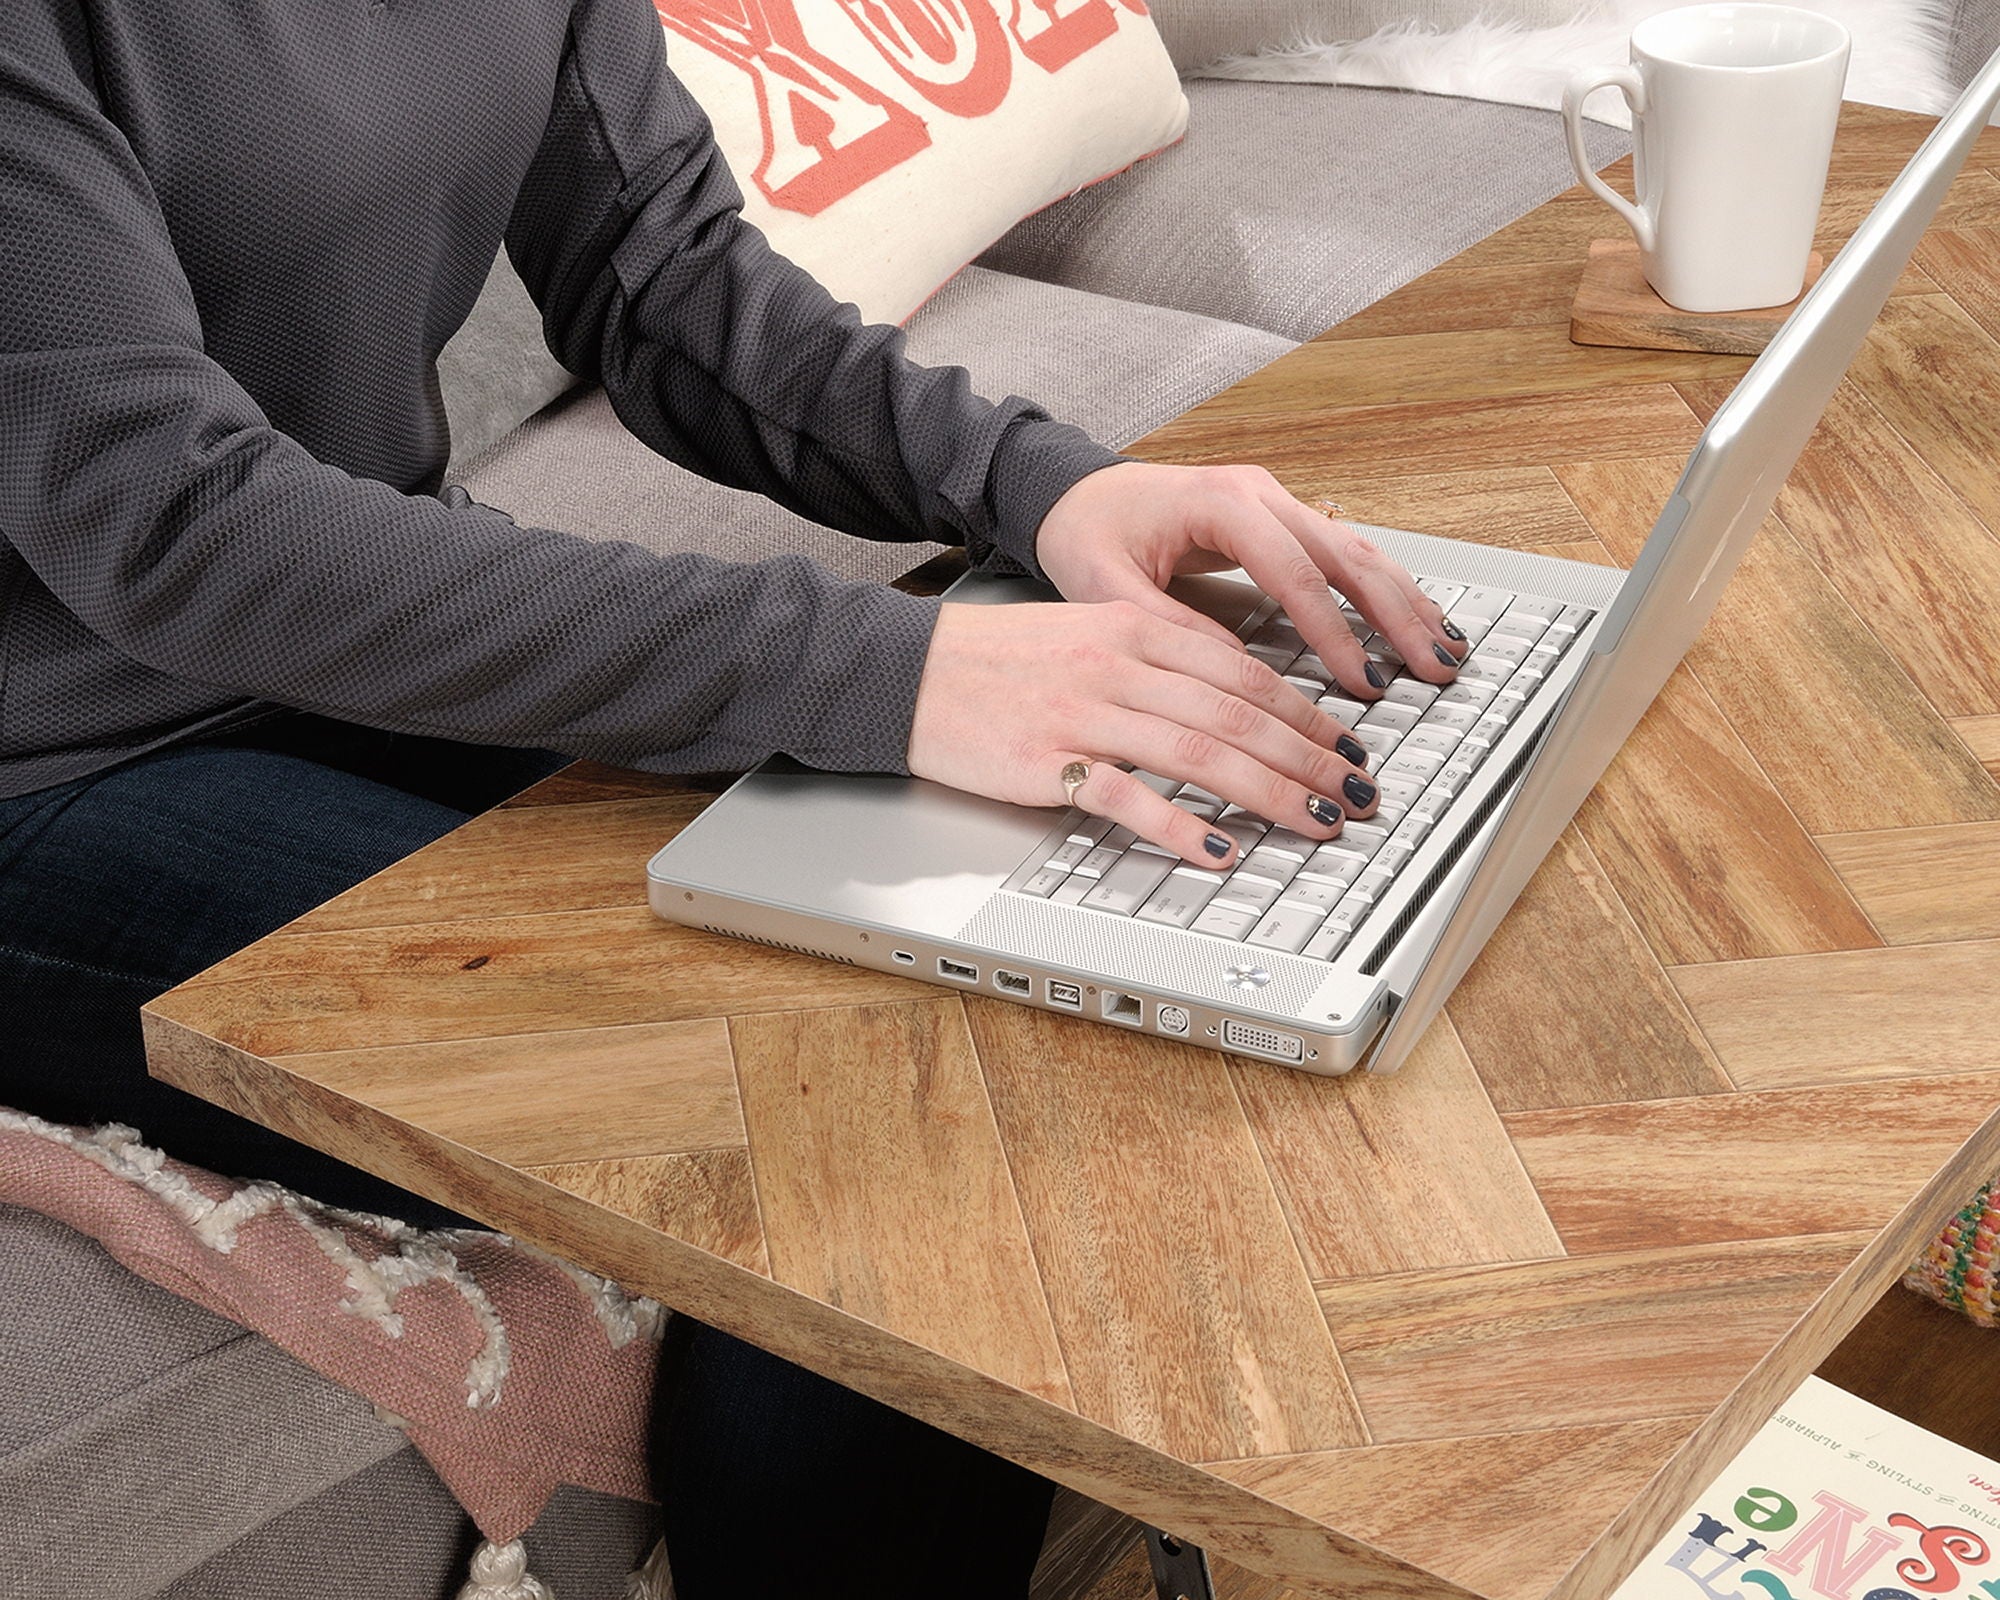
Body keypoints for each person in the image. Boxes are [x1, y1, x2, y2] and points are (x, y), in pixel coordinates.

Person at [0, 0, 1465, 1593]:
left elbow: (660, 271)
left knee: (1008, 948)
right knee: (844, 1126)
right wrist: (893, 672)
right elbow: (176, 524)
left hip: (363, 639)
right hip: (45, 763)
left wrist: (1041, 484)